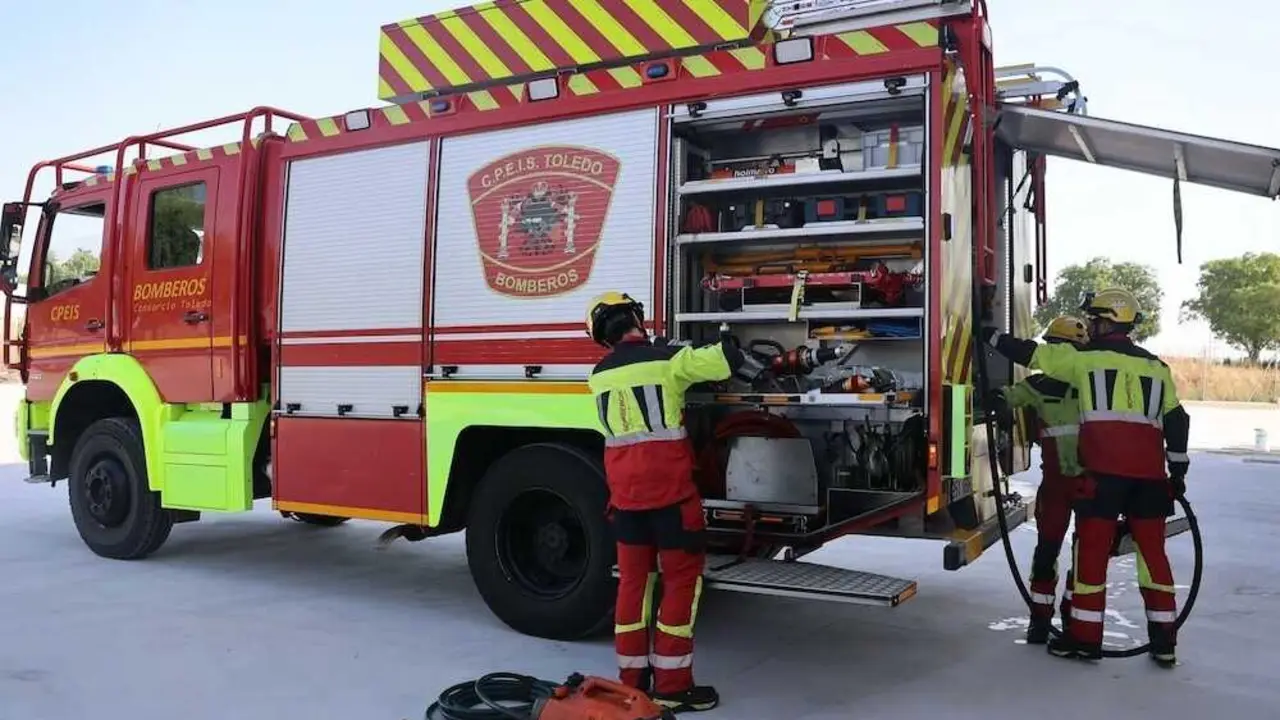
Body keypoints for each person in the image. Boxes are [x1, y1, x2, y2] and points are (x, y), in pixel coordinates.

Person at [981, 288, 1190, 667]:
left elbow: (1032, 354)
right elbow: (1177, 419)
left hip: (1104, 478)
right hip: (1150, 481)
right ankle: (1164, 643)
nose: (1091, 325)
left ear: (1107, 320)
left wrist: (990, 336)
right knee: (1154, 557)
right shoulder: (1158, 368)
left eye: (1094, 319)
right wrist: (1178, 471)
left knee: (1090, 556)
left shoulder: (1084, 360)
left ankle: (1084, 640)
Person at [585, 290, 765, 713]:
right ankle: (673, 685)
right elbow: (726, 360)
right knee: (680, 584)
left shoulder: (598, 376)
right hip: (671, 499)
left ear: (603, 338)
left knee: (633, 586)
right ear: (636, 320)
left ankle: (632, 682)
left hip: (626, 501)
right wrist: (726, 328)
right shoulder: (667, 360)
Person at [987, 316, 1089, 645]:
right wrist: (998, 403)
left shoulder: (1091, 387)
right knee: (1051, 553)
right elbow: (1008, 395)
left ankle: (1073, 617)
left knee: (1077, 554)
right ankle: (1042, 622)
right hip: (1067, 485)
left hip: (1083, 485)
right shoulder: (1040, 386)